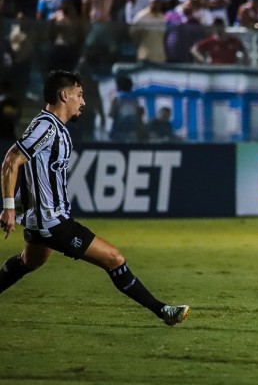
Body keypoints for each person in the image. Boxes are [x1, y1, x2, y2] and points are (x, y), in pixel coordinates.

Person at [0, 70, 189, 326]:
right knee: (114, 258)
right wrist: (9, 207)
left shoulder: (53, 127)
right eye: (79, 95)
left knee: (27, 262)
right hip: (51, 222)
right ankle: (163, 311)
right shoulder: (47, 126)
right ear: (64, 95)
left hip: (39, 221)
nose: (83, 101)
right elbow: (12, 160)